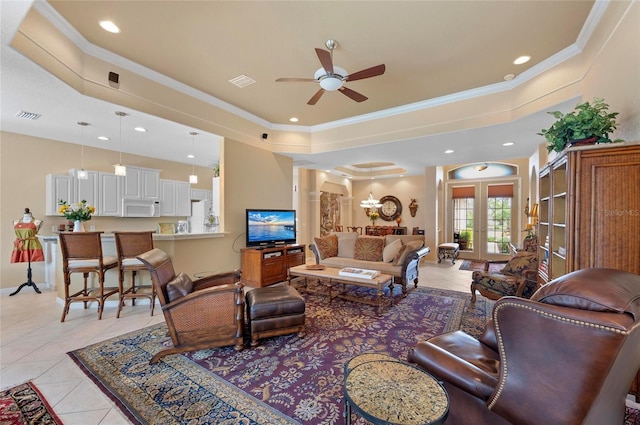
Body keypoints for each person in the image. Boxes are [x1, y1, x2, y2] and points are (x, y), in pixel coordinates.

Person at [10, 208, 45, 295]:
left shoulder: (37, 222)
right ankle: (28, 281)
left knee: (30, 260)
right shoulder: (16, 221)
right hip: (21, 244)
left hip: (32, 244)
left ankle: (30, 282)